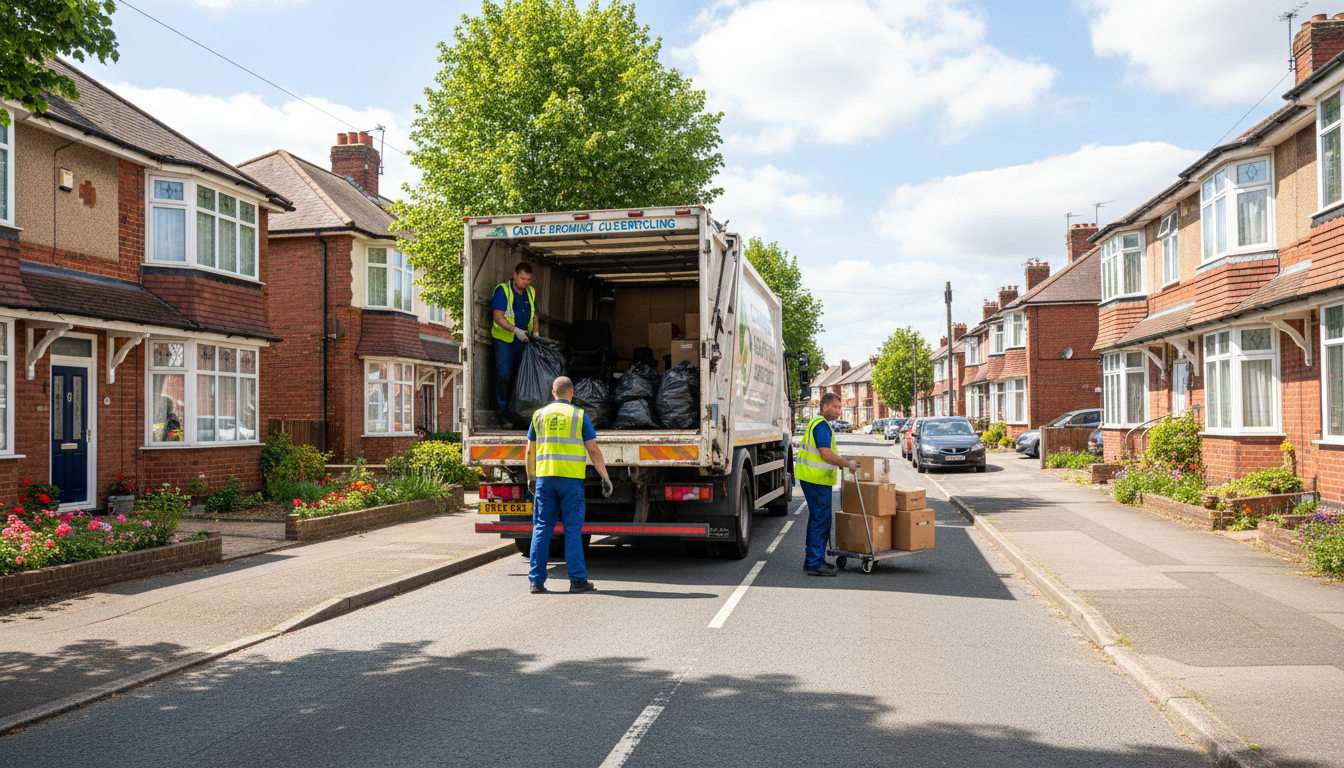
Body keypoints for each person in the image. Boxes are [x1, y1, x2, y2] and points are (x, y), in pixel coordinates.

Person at [526, 376, 614, 594]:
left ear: (553, 392)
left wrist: (531, 476)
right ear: (571, 393)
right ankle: (577, 581)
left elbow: (529, 450)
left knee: (541, 529)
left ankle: (536, 582)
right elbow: (593, 449)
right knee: (572, 530)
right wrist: (605, 477)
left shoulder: (539, 415)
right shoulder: (579, 415)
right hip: (571, 482)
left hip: (545, 480)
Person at [794, 392, 861, 576]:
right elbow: (826, 454)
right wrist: (846, 464)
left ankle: (813, 560)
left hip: (813, 478)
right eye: (835, 407)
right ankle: (815, 563)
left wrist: (841, 462)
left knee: (817, 519)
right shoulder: (821, 426)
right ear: (825, 407)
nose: (839, 411)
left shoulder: (818, 424)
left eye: (840, 408)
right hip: (816, 480)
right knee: (821, 520)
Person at [492, 262, 537, 420]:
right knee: (504, 377)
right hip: (505, 343)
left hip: (524, 342)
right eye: (523, 278)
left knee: (520, 379)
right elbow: (498, 317)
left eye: (529, 279)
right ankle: (503, 413)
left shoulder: (530, 292)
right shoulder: (502, 291)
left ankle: (516, 414)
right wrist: (515, 330)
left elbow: (534, 314)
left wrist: (536, 334)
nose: (525, 282)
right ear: (515, 275)